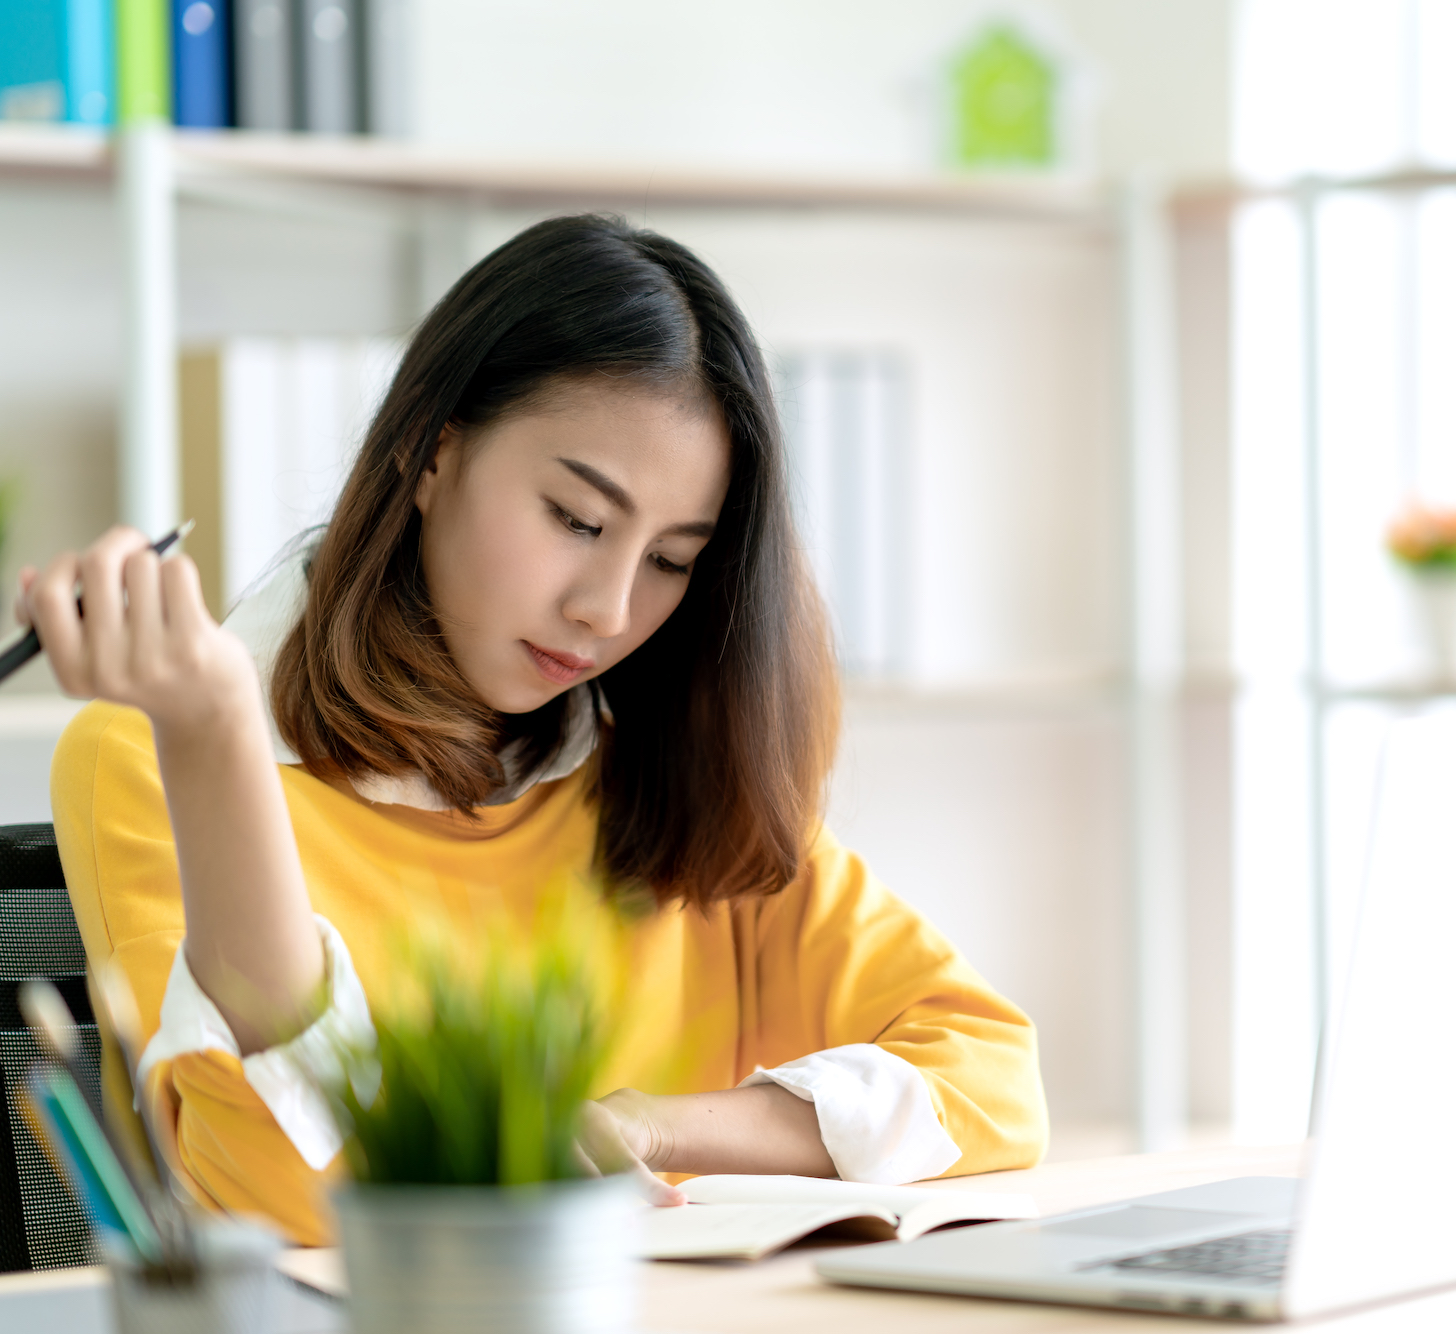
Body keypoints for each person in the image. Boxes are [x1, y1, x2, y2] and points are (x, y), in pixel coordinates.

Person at [34, 214, 1047, 1245]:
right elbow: (295, 1197)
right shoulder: (159, 752)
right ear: (432, 452)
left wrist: (641, 1124)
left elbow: (993, 1079)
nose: (607, 608)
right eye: (576, 519)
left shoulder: (660, 766)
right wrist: (211, 734)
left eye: (672, 559)